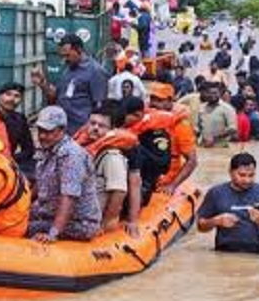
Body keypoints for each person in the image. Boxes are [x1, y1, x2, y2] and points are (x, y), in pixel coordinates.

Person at [28, 106, 101, 242]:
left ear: (62, 130)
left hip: (78, 223)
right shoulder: (47, 149)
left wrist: (53, 233)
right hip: (47, 213)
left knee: (20, 229)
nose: (42, 136)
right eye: (40, 131)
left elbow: (69, 197)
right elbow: (39, 184)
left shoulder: (71, 156)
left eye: (48, 132)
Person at [197, 153, 259, 254]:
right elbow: (201, 227)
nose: (247, 180)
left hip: (257, 255)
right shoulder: (216, 193)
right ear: (230, 172)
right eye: (242, 175)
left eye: (251, 175)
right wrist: (216, 221)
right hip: (224, 254)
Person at [73, 107, 138, 235]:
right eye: (92, 123)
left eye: (102, 126)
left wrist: (106, 223)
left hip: (94, 219)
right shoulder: (82, 147)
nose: (95, 128)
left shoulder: (112, 157)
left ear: (111, 131)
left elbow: (119, 192)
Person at [31, 34, 109, 135]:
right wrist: (42, 83)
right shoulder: (68, 69)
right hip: (64, 129)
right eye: (62, 56)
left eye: (67, 55)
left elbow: (100, 106)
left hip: (81, 131)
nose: (64, 60)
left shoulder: (95, 71)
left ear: (79, 50)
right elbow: (56, 96)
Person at [148, 83, 198, 195]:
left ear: (170, 100)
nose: (153, 104)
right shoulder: (147, 120)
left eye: (159, 100)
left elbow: (192, 161)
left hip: (166, 181)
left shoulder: (181, 125)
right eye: (152, 99)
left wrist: (172, 185)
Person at [0, 82, 36, 178]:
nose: (12, 99)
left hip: (9, 162)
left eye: (17, 96)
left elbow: (29, 149)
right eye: (8, 94)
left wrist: (12, 159)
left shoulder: (20, 119)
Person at [196, 82, 237, 148]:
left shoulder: (228, 108)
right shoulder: (201, 107)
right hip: (203, 145)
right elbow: (198, 127)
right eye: (209, 93)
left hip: (221, 147)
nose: (212, 95)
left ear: (220, 94)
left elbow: (233, 129)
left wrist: (214, 138)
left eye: (215, 93)